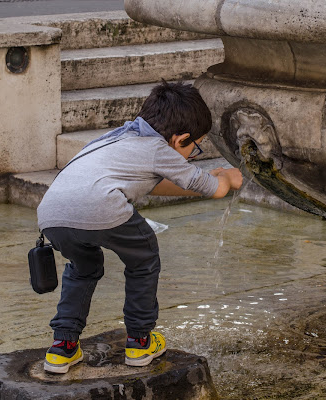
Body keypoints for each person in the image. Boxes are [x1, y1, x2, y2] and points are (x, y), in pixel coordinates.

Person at [36, 81, 243, 374]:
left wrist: (209, 179)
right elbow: (212, 188)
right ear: (180, 139)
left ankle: (62, 348)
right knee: (144, 259)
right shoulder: (157, 148)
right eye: (194, 147)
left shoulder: (117, 137)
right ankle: (140, 342)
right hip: (102, 206)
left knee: (84, 267)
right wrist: (228, 178)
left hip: (52, 212)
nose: (192, 153)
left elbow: (156, 187)